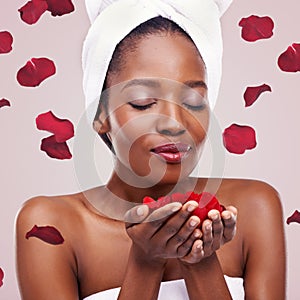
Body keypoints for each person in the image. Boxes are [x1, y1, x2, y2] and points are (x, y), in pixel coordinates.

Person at [15, 0, 286, 299]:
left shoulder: (254, 209)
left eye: (193, 102)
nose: (173, 123)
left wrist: (199, 260)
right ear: (101, 114)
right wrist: (145, 262)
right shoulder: (52, 224)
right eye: (143, 103)